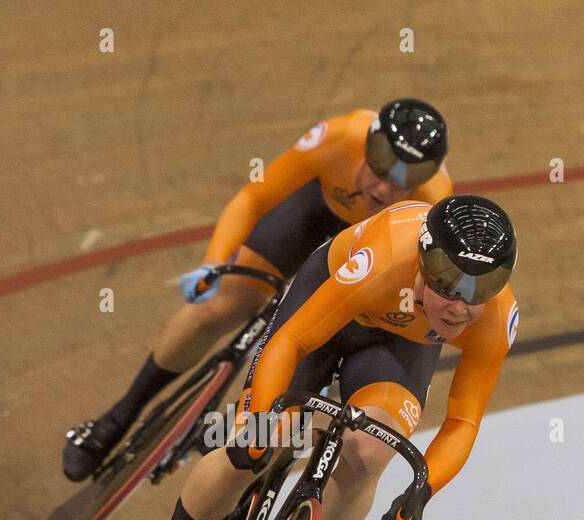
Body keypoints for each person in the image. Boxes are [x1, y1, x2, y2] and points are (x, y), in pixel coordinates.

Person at [117, 194, 521, 520]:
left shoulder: (493, 316)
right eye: (449, 283)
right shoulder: (385, 260)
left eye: (481, 287)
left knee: (368, 457)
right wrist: (263, 418)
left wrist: (424, 490)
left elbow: (464, 420)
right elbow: (290, 339)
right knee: (254, 446)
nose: (460, 306)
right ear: (426, 262)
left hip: (396, 349)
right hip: (327, 310)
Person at [63, 98, 454, 480]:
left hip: (366, 262)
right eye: (380, 167)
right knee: (218, 308)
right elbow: (255, 196)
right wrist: (214, 262)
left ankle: (245, 421)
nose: (384, 189)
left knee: (305, 363)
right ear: (367, 146)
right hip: (316, 219)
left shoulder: (436, 203)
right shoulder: (339, 136)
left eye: (404, 180)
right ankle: (119, 416)